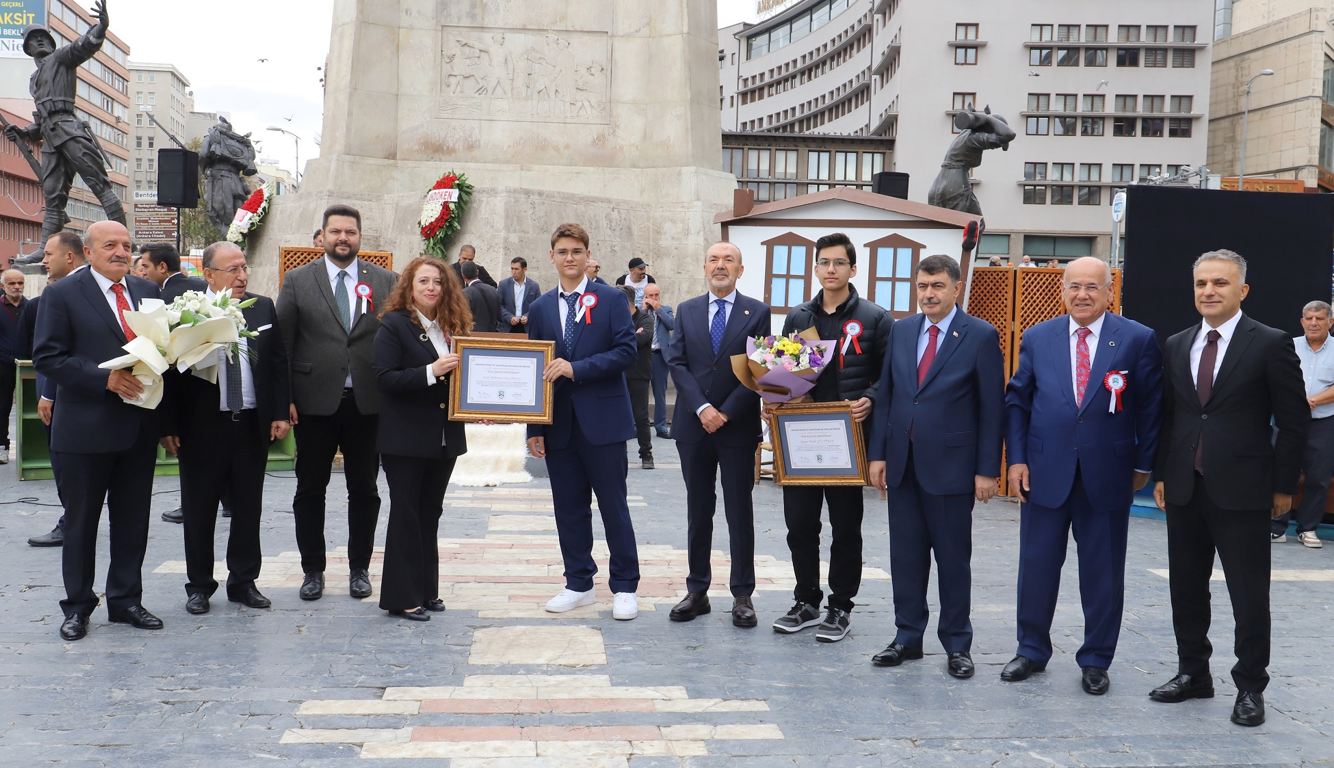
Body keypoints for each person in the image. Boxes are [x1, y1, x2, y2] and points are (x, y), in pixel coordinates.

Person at [1151, 249, 1309, 727]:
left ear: (1242, 290)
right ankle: (1193, 674)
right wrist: (1161, 473)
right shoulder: (1178, 343)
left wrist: (1284, 486)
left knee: (1247, 593)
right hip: (1184, 487)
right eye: (1201, 283)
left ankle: (1250, 687)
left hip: (1243, 489)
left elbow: (1295, 420)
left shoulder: (1271, 342)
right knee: (1186, 589)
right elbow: (1170, 415)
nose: (1208, 291)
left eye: (1220, 283)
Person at [1003, 256, 1163, 696]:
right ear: (1063, 290)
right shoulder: (1038, 337)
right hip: (1044, 473)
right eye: (1074, 286)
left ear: (1109, 291)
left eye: (1093, 286)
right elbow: (1018, 400)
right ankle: (1031, 650)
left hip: (1107, 476)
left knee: (1103, 573)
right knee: (1036, 568)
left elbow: (1150, 408)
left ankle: (1096, 659)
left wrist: (1143, 465)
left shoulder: (1136, 339)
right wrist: (1016, 459)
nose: (1083, 295)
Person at [867, 254, 1004, 679]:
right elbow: (888, 395)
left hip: (952, 469)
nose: (928, 294)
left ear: (956, 288)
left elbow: (991, 408)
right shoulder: (903, 330)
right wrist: (878, 454)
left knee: (952, 560)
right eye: (923, 286)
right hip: (903, 465)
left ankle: (957, 644)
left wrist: (986, 470)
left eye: (938, 286)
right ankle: (907, 637)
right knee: (905, 558)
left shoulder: (979, 335)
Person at [32, 220, 164, 641]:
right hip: (85, 431)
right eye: (111, 245)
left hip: (137, 428)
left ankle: (125, 600)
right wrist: (101, 379)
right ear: (88, 252)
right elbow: (48, 358)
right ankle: (77, 607)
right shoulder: (61, 294)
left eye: (127, 245)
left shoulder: (146, 293)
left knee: (132, 522)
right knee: (81, 523)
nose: (121, 252)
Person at [276, 204, 398, 602]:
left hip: (368, 404)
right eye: (335, 232)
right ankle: (312, 570)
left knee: (365, 490)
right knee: (310, 489)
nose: (342, 238)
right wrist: (286, 400)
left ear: (361, 236)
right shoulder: (297, 280)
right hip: (313, 405)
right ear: (324, 236)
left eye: (350, 232)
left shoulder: (385, 280)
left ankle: (360, 568)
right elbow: (283, 347)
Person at [160, 242, 289, 615]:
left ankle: (244, 582)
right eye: (232, 269)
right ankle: (199, 585)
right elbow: (169, 371)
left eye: (244, 267)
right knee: (199, 510)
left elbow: (278, 362)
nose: (242, 275)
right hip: (201, 428)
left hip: (250, 424)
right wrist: (167, 424)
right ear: (210, 274)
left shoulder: (262, 307)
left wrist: (279, 412)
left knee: (248, 508)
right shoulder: (186, 312)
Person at [775, 232, 891, 642]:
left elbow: (889, 377)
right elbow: (784, 376)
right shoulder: (797, 317)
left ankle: (840, 606)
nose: (830, 269)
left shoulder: (875, 319)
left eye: (839, 262)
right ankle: (806, 599)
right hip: (803, 438)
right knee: (799, 524)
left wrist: (870, 400)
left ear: (852, 268)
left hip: (848, 440)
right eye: (823, 262)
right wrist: (776, 395)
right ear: (816, 268)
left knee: (846, 528)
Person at [525, 222, 641, 620]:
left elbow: (627, 353)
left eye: (576, 251)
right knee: (569, 509)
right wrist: (534, 428)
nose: (570, 258)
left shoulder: (610, 299)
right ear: (552, 256)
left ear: (587, 256)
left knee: (614, 507)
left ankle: (625, 586)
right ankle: (578, 583)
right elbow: (535, 370)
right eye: (562, 251)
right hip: (559, 426)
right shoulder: (539, 308)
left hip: (604, 422)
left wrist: (577, 368)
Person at [665, 241, 770, 627]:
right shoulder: (687, 310)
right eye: (713, 259)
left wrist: (725, 411)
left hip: (737, 427)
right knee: (699, 510)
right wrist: (702, 408)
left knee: (739, 511)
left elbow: (760, 370)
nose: (720, 265)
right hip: (694, 427)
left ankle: (743, 595)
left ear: (740, 270)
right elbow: (677, 363)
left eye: (729, 260)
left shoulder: (757, 312)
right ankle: (697, 591)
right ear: (704, 267)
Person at [373, 257, 471, 621]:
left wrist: (477, 407)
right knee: (406, 514)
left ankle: (427, 590)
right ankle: (402, 597)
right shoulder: (394, 325)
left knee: (430, 513)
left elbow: (462, 383)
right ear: (409, 287)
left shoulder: (451, 326)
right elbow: (384, 379)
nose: (431, 287)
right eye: (423, 281)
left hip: (443, 438)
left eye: (438, 282)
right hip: (405, 439)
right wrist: (430, 371)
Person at [23, 232, 86, 547]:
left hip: (65, 397)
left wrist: (49, 394)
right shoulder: (63, 291)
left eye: (49, 254)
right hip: (61, 393)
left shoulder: (65, 292)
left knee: (66, 465)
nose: (43, 260)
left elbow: (62, 353)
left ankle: (72, 522)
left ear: (70, 256)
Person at [1273, 300, 1334, 548]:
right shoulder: (1288, 346)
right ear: (1301, 322)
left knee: (1318, 478)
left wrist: (1310, 401)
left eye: (1319, 318)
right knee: (1281, 472)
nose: (1314, 323)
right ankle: (1275, 527)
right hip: (1288, 421)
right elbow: (1275, 380)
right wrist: (1294, 402)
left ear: (1330, 321)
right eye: (1309, 318)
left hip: (1324, 423)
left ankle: (1308, 528)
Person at [621, 285, 655, 469]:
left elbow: (642, 339)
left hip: (639, 374)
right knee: (618, 415)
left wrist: (623, 338)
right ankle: (620, 453)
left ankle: (646, 453)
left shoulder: (645, 319)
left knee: (641, 416)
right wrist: (632, 335)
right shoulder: (616, 319)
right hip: (617, 374)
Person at [0, 268, 27, 464]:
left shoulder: (33, 306)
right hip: (3, 365)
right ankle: (2, 446)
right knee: (2, 407)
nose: (16, 287)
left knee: (34, 407)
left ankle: (34, 448)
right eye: (12, 284)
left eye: (20, 283)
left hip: (29, 365)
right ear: (3, 286)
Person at [643, 283, 675, 438]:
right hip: (642, 356)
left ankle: (661, 427)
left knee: (660, 393)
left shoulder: (666, 309)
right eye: (651, 295)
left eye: (657, 295)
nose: (654, 298)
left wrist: (658, 309)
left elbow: (672, 324)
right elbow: (629, 325)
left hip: (659, 356)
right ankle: (637, 426)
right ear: (645, 296)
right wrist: (642, 310)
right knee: (639, 393)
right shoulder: (639, 310)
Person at [140, 242, 206, 302]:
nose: (143, 273)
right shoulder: (205, 287)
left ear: (162, 267)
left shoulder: (160, 300)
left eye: (146, 266)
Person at [498, 257, 541, 334]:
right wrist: (509, 317)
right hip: (508, 327)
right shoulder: (503, 284)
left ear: (524, 269)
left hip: (527, 328)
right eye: (512, 269)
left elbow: (538, 306)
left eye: (516, 269)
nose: (514, 272)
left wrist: (528, 316)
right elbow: (498, 305)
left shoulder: (534, 286)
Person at [462, 261, 502, 333]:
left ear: (463, 276)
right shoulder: (493, 290)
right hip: (493, 335)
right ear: (477, 272)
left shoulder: (465, 293)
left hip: (474, 336)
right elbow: (499, 316)